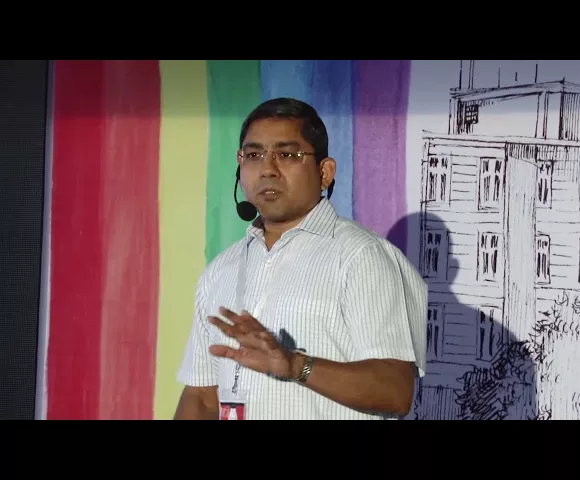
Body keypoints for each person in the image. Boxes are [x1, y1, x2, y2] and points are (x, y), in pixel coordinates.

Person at [173, 97, 427, 420]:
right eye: (254, 155)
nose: (267, 169)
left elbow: (395, 391)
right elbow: (202, 397)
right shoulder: (221, 269)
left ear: (325, 172)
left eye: (287, 154)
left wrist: (296, 365)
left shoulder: (360, 256)